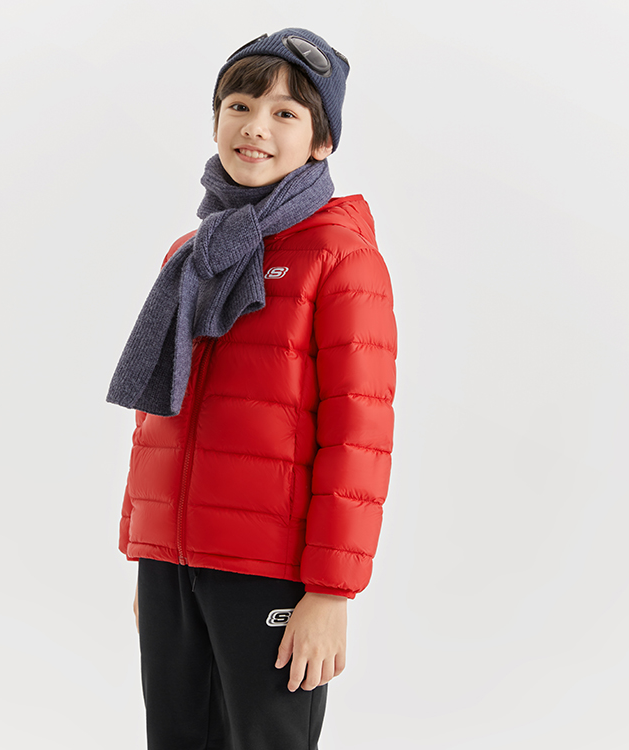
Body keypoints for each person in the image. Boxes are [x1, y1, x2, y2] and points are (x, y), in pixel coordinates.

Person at [106, 27, 397, 750]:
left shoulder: (340, 257)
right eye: (238, 105)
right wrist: (149, 549)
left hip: (271, 570)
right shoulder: (192, 253)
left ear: (322, 141)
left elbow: (359, 436)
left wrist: (331, 590)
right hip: (173, 563)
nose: (255, 126)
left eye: (285, 113)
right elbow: (158, 412)